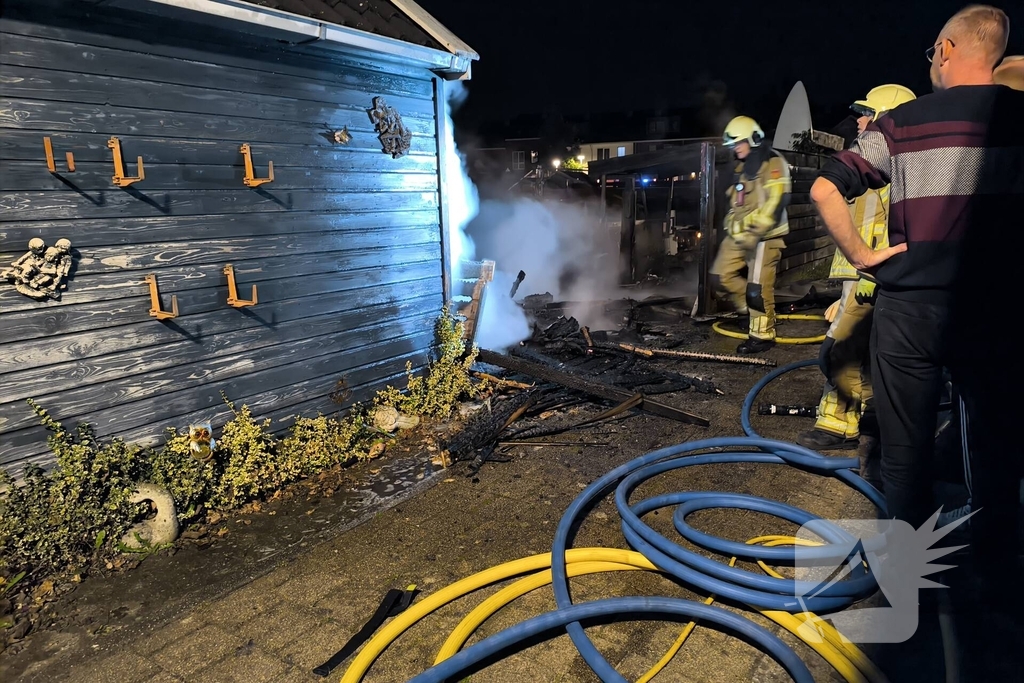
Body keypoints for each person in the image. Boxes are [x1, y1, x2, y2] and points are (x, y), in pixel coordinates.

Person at [811, 3, 1022, 595]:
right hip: (996, 305)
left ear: (948, 49)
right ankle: (996, 572)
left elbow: (826, 186)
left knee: (904, 450)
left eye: (933, 52)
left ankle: (906, 577)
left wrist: (861, 257)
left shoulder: (901, 123)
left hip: (909, 309)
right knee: (995, 438)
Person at [796, 86, 917, 479]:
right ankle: (863, 422)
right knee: (857, 353)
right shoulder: (873, 159)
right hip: (857, 275)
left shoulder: (896, 166)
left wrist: (866, 284)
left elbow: (887, 230)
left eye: (866, 114)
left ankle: (841, 422)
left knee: (839, 349)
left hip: (869, 276)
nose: (860, 121)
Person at [711, 116, 792, 354]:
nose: (735, 148)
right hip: (742, 236)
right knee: (719, 276)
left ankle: (761, 334)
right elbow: (737, 204)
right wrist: (732, 226)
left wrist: (753, 232)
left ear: (753, 138)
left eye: (738, 143)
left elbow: (776, 202)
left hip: (766, 237)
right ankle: (748, 311)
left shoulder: (773, 162)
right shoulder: (743, 169)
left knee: (756, 288)